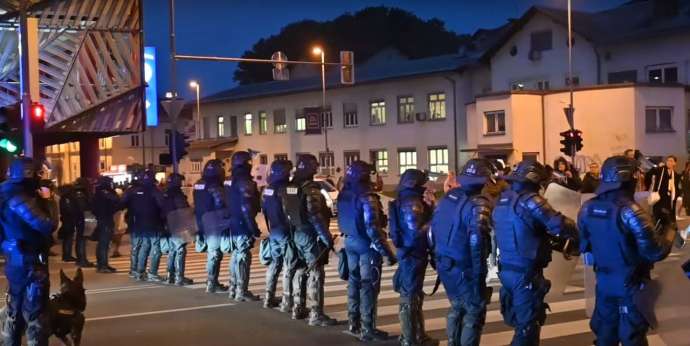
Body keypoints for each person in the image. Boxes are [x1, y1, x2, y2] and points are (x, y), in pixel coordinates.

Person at [578, 156, 676, 345]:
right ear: (626, 177)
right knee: (632, 338)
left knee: (606, 337)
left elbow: (584, 246)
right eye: (635, 175)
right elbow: (656, 252)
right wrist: (670, 229)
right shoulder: (631, 211)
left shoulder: (587, 208)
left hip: (604, 284)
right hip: (630, 286)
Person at [493, 159, 580, 345]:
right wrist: (577, 234)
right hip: (525, 273)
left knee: (522, 322)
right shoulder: (530, 200)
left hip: (506, 269)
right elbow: (558, 224)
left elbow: (523, 229)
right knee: (527, 328)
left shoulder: (504, 200)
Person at [430, 159, 494, 346]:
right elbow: (477, 243)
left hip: (445, 263)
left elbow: (433, 230)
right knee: (474, 312)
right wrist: (479, 273)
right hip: (464, 266)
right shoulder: (478, 204)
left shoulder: (448, 198)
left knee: (457, 307)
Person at [0, 157, 58, 346]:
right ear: (27, 174)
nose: (40, 177)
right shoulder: (19, 197)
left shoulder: (7, 193)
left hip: (16, 259)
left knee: (15, 309)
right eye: (38, 173)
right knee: (36, 313)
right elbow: (46, 224)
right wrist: (49, 201)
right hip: (29, 260)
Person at [337, 160, 397, 342]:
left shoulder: (344, 194)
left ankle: (353, 322)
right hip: (366, 245)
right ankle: (368, 327)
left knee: (354, 283)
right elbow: (372, 227)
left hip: (349, 242)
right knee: (369, 286)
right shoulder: (366, 196)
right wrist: (387, 252)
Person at [285, 154, 337, 326]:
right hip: (309, 234)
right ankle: (316, 314)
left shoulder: (291, 186)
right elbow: (315, 216)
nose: (316, 169)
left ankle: (298, 308)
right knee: (316, 272)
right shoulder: (310, 189)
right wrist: (326, 238)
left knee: (300, 269)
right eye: (314, 166)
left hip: (296, 233)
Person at [389, 169, 437, 346]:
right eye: (423, 183)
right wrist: (434, 215)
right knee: (410, 296)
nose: (426, 186)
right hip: (413, 253)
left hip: (410, 252)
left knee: (414, 295)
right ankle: (410, 338)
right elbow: (416, 232)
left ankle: (417, 335)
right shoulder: (412, 202)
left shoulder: (407, 199)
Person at [225, 151, 262, 301]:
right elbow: (246, 207)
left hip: (232, 223)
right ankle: (241, 291)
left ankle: (233, 288)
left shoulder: (229, 180)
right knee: (243, 256)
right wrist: (253, 227)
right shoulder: (244, 182)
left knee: (235, 255)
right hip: (241, 223)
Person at [261, 159, 296, 310]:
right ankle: (287, 300)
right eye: (288, 171)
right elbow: (291, 209)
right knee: (289, 265)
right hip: (284, 230)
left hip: (273, 230)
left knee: (274, 264)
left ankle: (268, 297)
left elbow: (264, 210)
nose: (290, 174)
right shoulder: (286, 188)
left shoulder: (267, 189)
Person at [120, 170, 166, 281]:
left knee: (142, 247)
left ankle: (139, 271)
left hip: (137, 223)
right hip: (152, 223)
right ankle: (153, 273)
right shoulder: (154, 191)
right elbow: (162, 205)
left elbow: (121, 203)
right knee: (156, 248)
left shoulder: (132, 191)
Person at [193, 159, 230, 293]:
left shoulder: (198, 184)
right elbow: (220, 202)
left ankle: (212, 281)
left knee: (211, 252)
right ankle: (212, 282)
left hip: (201, 219)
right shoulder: (215, 186)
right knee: (214, 253)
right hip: (213, 220)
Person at [161, 173, 194, 285]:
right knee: (181, 250)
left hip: (167, 224)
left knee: (172, 251)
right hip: (179, 224)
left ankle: (170, 276)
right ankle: (179, 277)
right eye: (180, 181)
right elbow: (183, 208)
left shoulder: (164, 192)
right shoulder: (177, 193)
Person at [59, 177, 93, 267]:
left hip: (79, 218)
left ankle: (81, 259)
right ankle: (82, 260)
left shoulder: (74, 193)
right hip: (83, 218)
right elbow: (83, 208)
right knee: (81, 239)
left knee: (80, 239)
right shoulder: (80, 193)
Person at [92, 175, 120, 273]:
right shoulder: (105, 193)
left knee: (102, 243)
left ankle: (102, 264)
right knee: (104, 243)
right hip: (105, 219)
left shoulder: (97, 192)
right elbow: (117, 201)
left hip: (101, 219)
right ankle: (103, 265)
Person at [650, 155, 681, 228]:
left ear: (675, 163)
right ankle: (658, 228)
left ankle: (665, 229)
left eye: (671, 161)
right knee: (659, 214)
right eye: (668, 160)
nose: (669, 162)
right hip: (659, 196)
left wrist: (677, 196)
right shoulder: (660, 170)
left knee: (667, 215)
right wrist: (657, 167)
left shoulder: (675, 175)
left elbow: (677, 188)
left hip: (669, 198)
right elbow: (651, 173)